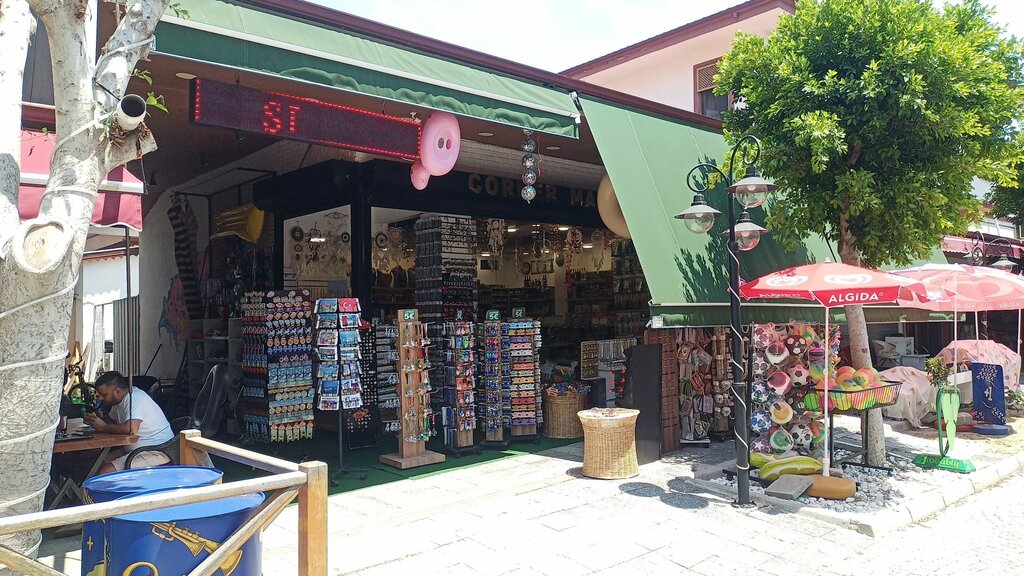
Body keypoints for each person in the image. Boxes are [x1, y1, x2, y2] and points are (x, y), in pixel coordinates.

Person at [84, 371, 174, 474]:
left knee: (104, 473)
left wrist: (103, 427)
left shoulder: (134, 398)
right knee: (96, 464)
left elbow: (131, 428)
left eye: (103, 394)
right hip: (137, 450)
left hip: (156, 451)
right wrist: (94, 420)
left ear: (117, 391)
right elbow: (110, 420)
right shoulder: (118, 402)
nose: (100, 398)